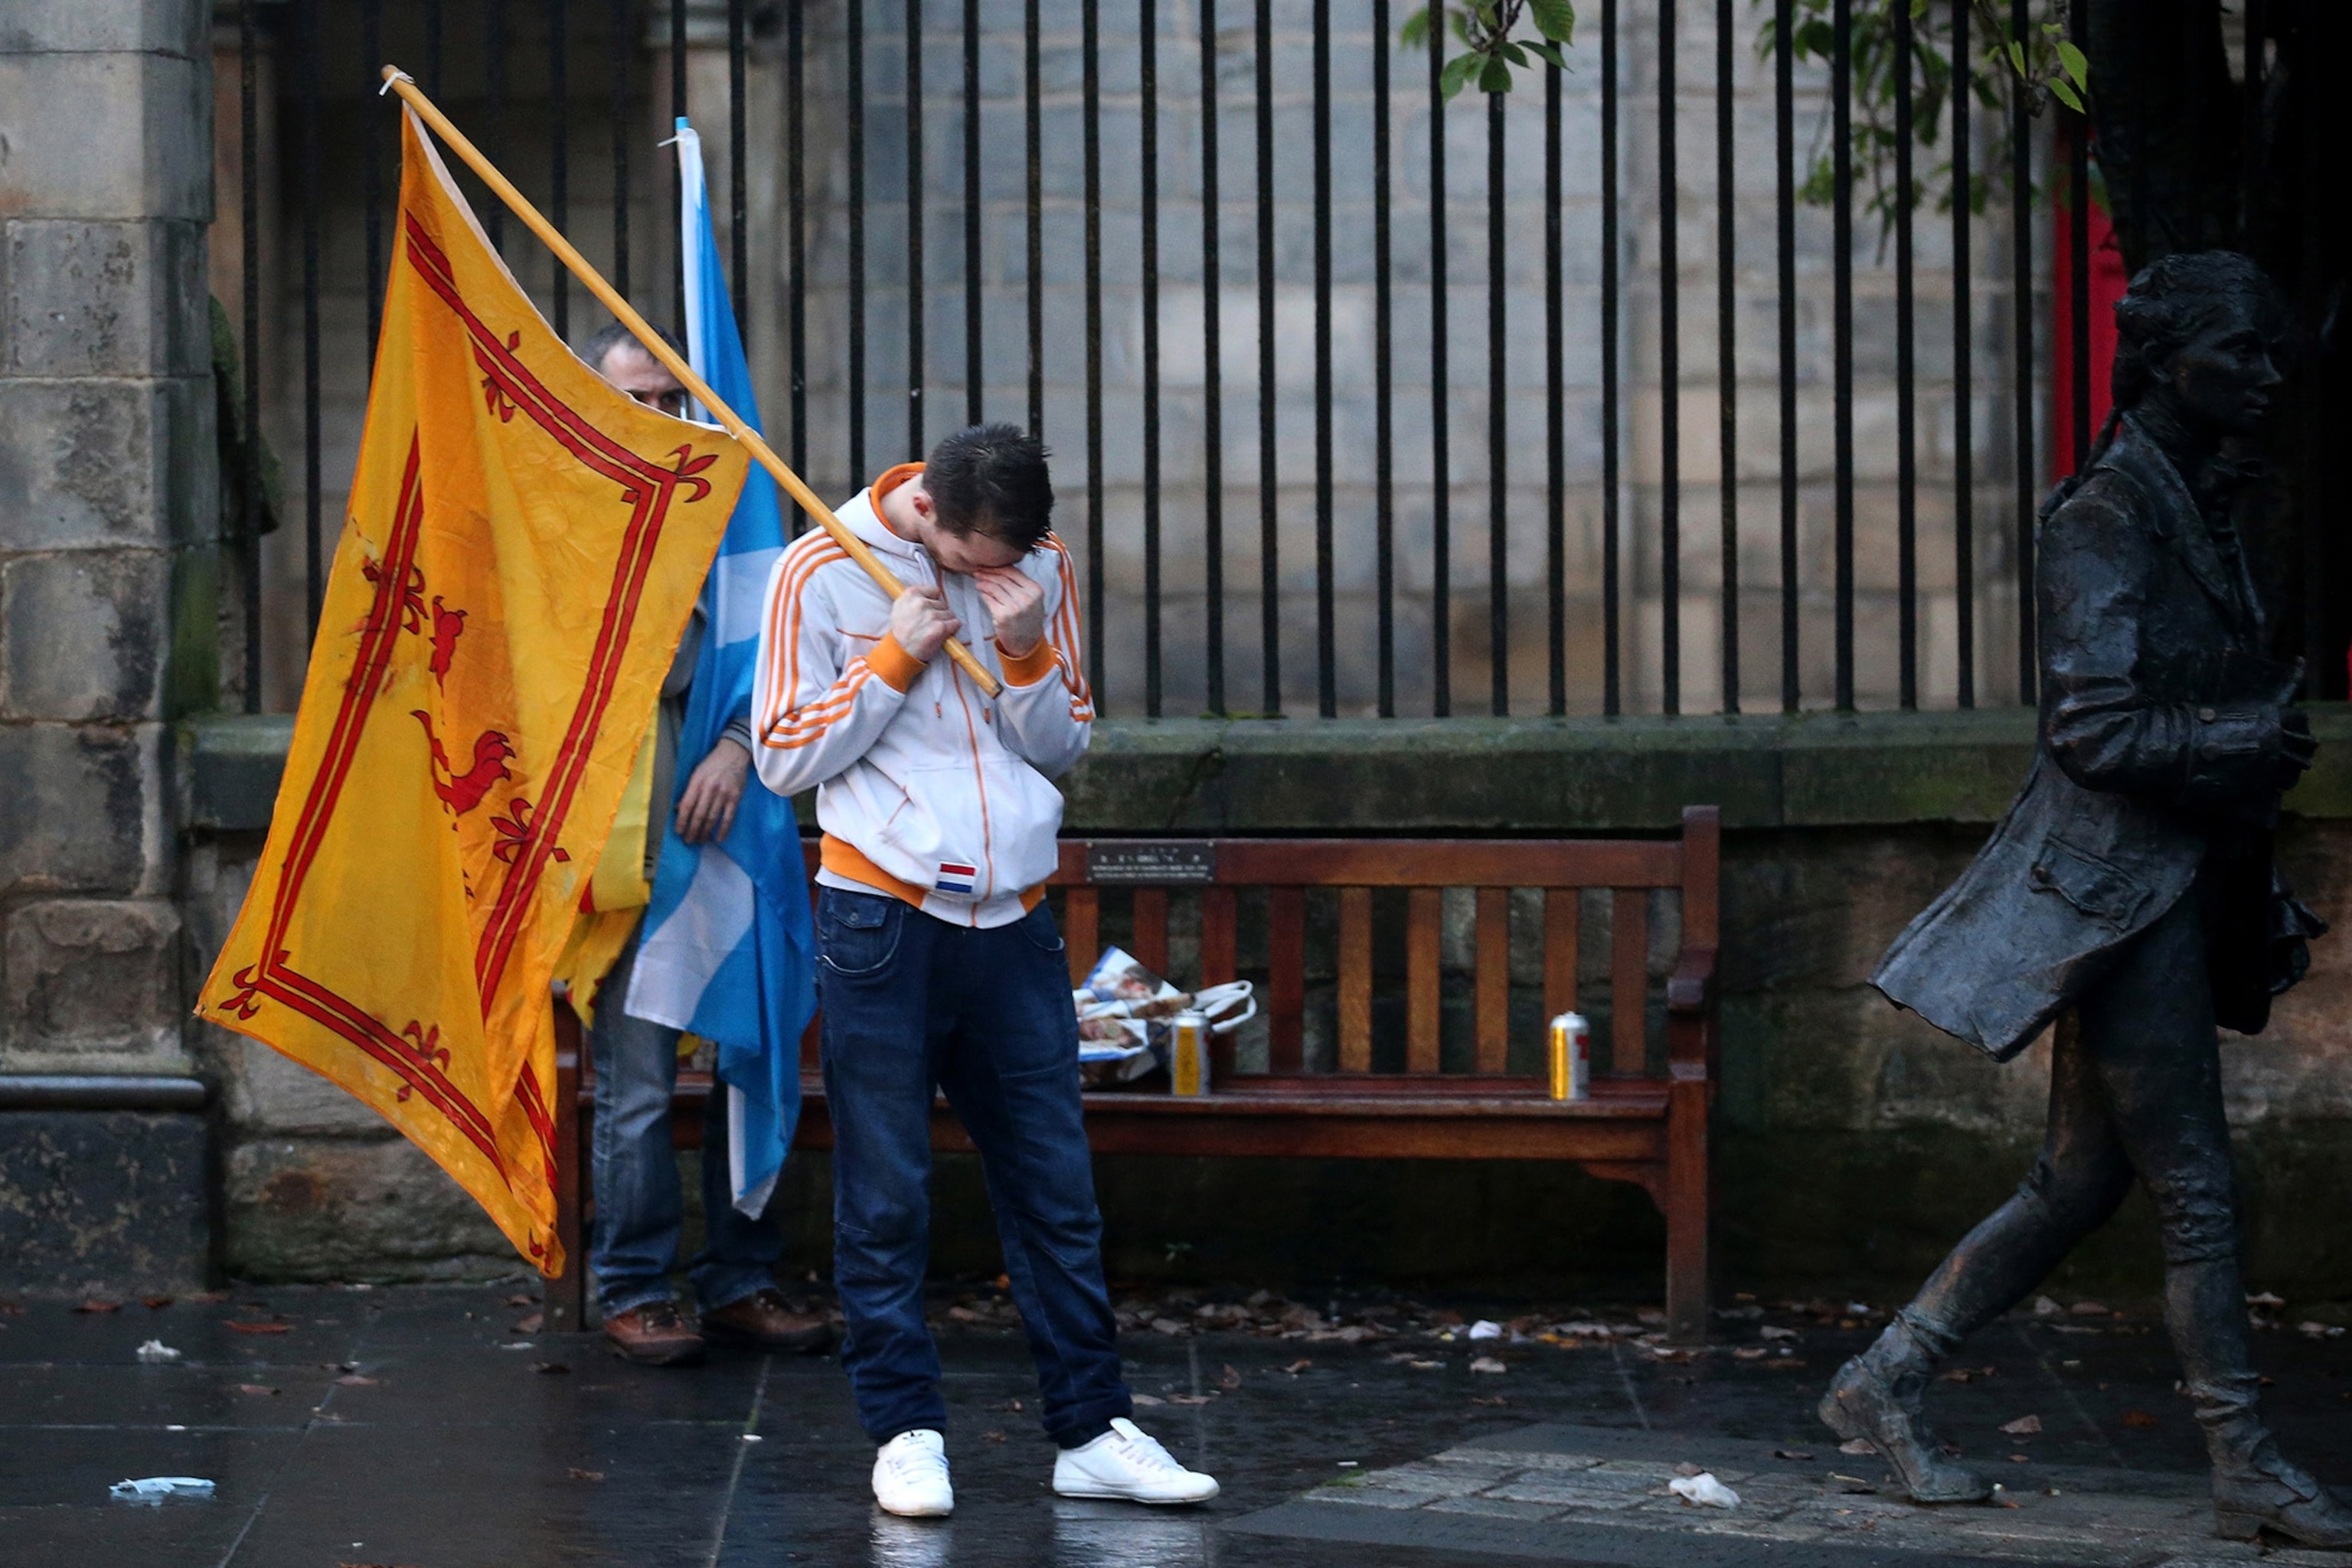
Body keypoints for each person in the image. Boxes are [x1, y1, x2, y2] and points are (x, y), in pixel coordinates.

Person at [1842, 252, 2350, 1548]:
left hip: (2170, 886)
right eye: (2241, 352)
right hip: (2119, 900)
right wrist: (2238, 741)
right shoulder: (2107, 515)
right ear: (2167, 359)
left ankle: (1884, 1382)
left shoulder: (2202, 498)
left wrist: (2247, 732)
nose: (2267, 376)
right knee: (2191, 1186)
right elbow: (2097, 730)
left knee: (2079, 1183)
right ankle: (2244, 1463)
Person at [751, 423, 1219, 1518]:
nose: (997, 574)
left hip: (1014, 918)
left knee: (1056, 1186)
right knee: (889, 1192)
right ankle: (906, 1430)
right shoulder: (820, 565)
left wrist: (1023, 652)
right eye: (976, 557)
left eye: (1017, 554)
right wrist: (892, 658)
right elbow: (780, 754)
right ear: (931, 513)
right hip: (882, 915)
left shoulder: (1035, 564)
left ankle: (1092, 1427)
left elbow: (1062, 743)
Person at [578, 319, 831, 1367]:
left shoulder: (743, 527)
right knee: (637, 1085)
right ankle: (632, 1284)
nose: (652, 418)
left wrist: (736, 746)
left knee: (747, 1055)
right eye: (628, 397)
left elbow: (788, 668)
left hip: (728, 825)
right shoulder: (573, 523)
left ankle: (739, 1279)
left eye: (670, 398)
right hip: (625, 844)